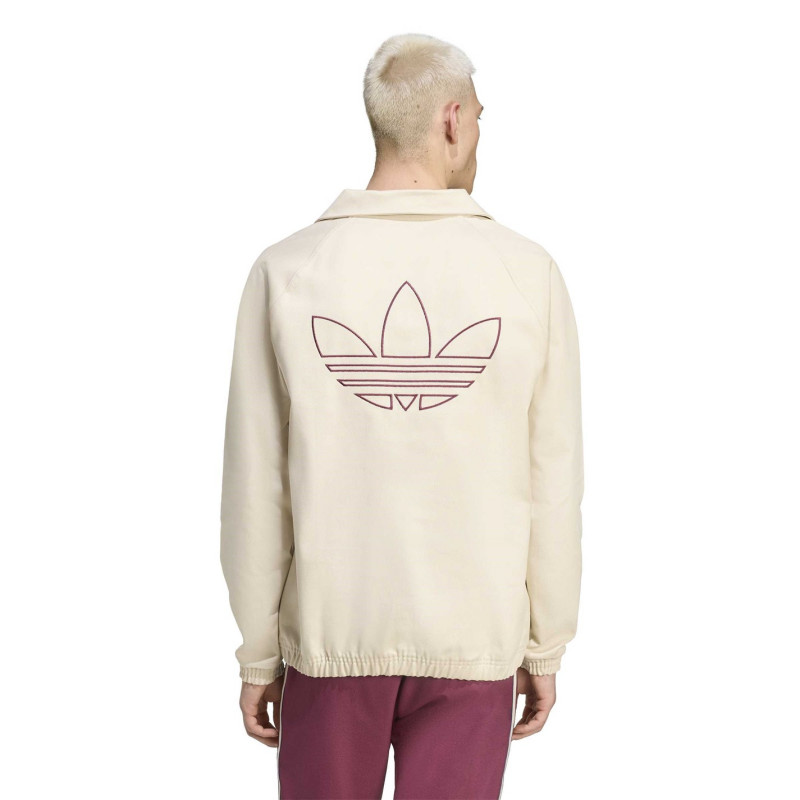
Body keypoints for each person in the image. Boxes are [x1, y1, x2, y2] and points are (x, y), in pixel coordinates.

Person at [220, 32, 584, 800]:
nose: (479, 132)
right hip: (474, 636)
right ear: (451, 120)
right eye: (479, 117)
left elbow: (255, 487)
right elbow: (552, 484)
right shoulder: (528, 274)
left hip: (331, 635)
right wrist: (544, 644)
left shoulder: (287, 272)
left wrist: (258, 653)